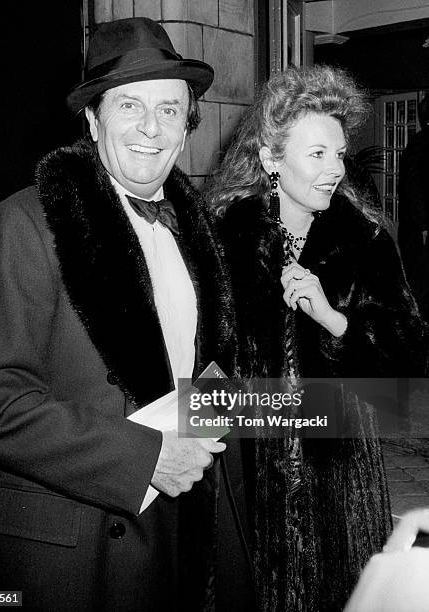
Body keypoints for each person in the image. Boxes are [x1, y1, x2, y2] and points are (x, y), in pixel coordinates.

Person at [0, 18, 252, 611]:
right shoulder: (27, 224)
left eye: (170, 109)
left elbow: (202, 363)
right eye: (129, 106)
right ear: (93, 121)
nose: (151, 127)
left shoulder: (199, 229)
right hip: (74, 544)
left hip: (184, 525)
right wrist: (145, 459)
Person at [209, 65, 426, 611]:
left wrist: (335, 320)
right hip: (247, 472)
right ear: (270, 159)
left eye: (339, 153)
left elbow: (409, 363)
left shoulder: (367, 242)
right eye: (317, 154)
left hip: (340, 478)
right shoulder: (224, 239)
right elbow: (202, 358)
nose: (335, 170)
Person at [398, 95, 429, 323]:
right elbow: (412, 187)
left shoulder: (418, 142)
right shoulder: (421, 143)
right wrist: (424, 225)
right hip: (420, 230)